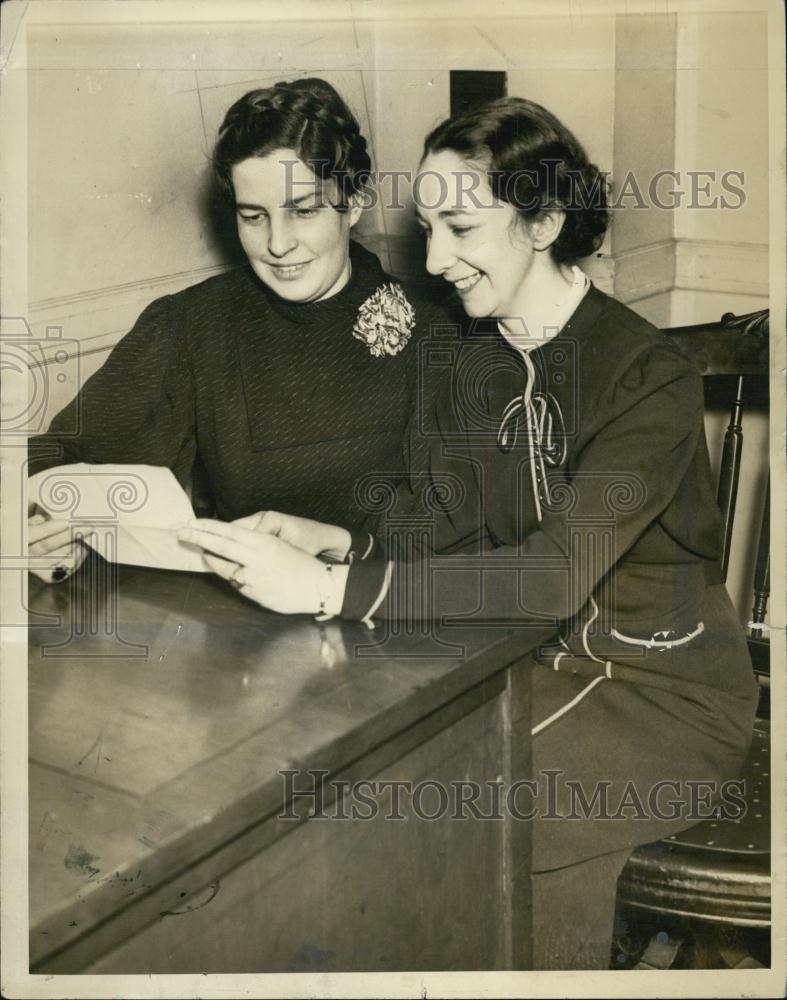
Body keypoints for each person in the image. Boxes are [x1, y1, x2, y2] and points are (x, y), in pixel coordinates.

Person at [179, 97, 760, 969]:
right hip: (508, 664)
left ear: (544, 220)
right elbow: (434, 523)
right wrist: (338, 542)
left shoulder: (647, 377)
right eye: (427, 229)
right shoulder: (464, 355)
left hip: (655, 694)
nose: (436, 260)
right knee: (361, 797)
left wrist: (334, 592)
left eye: (460, 226)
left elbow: (554, 577)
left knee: (450, 813)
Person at [28, 78, 448, 582]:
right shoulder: (193, 325)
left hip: (393, 615)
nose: (277, 243)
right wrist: (62, 526)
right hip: (243, 625)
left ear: (354, 202)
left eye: (304, 211)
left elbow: (456, 531)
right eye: (254, 216)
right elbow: (61, 460)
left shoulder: (432, 333)